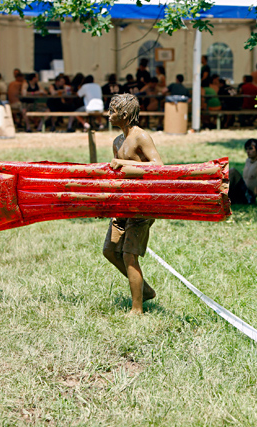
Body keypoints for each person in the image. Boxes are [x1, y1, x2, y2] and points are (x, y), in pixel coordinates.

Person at [102, 93, 163, 315]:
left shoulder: (141, 137)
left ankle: (137, 309)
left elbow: (158, 166)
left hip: (142, 204)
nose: (108, 115)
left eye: (112, 111)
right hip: (123, 203)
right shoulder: (117, 141)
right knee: (110, 250)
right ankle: (144, 290)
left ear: (125, 114)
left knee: (129, 255)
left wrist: (123, 162)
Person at [228, 138, 257, 206]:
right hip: (240, 193)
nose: (248, 151)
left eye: (250, 149)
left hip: (249, 197)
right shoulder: (248, 161)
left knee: (233, 171)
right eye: (246, 149)